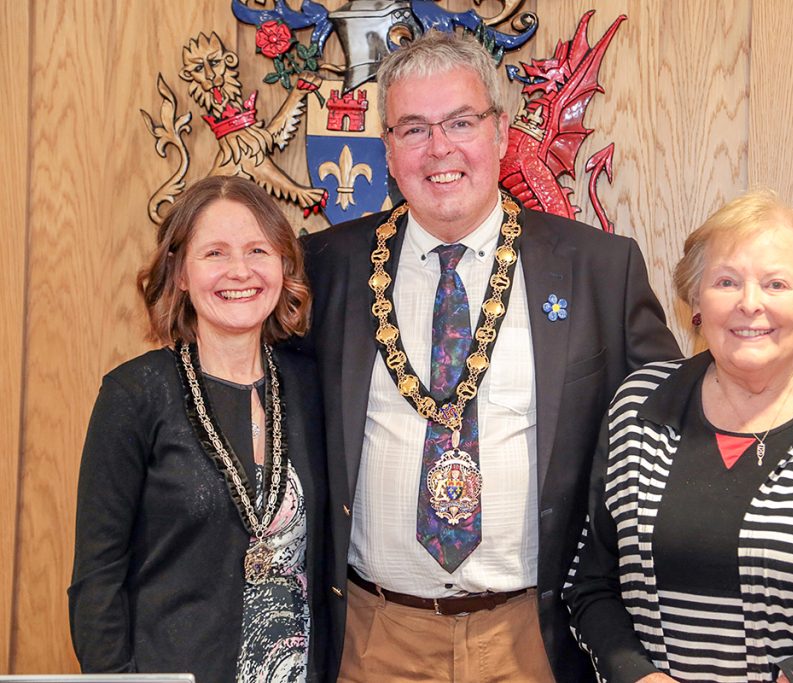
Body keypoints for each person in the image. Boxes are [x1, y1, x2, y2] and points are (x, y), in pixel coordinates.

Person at [298, 31, 680, 682]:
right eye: (413, 128)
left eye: (461, 122)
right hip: (375, 637)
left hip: (532, 636)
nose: (439, 148)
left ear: (502, 133)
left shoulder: (597, 270)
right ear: (388, 150)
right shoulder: (328, 268)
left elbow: (672, 430)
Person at [563, 189, 793, 682]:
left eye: (776, 284)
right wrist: (637, 675)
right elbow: (589, 583)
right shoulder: (639, 404)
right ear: (696, 301)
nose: (750, 304)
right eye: (726, 281)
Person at [68, 176, 328, 683]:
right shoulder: (134, 395)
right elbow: (96, 580)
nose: (240, 271)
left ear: (283, 266)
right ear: (181, 272)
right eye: (214, 253)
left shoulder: (312, 389)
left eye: (259, 250)